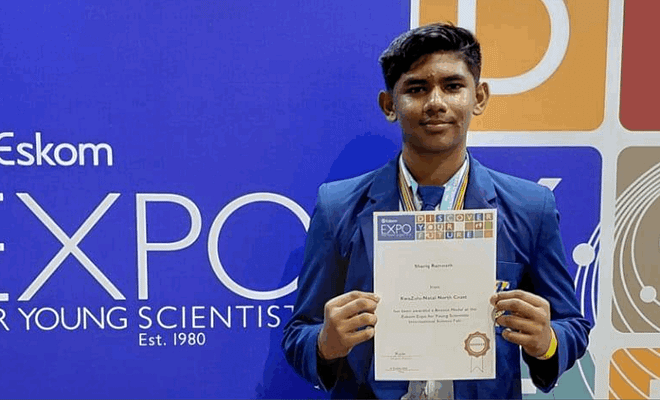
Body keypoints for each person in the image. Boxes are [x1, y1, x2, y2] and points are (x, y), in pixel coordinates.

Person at [281, 23, 591, 399]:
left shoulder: (530, 207)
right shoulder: (338, 206)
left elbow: (571, 325)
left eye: (452, 86)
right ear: (389, 105)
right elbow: (299, 333)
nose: (435, 102)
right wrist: (325, 343)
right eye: (416, 88)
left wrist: (548, 341)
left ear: (478, 97)